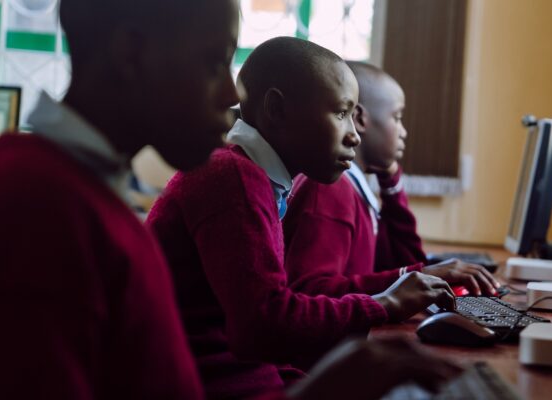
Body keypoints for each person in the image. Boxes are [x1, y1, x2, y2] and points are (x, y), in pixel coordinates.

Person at [0, 2, 459, 399]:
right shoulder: (34, 210)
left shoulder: (76, 193)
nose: (230, 98)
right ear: (132, 54)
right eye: (214, 63)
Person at [146, 36, 457, 399]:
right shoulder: (234, 179)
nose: (354, 136)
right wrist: (383, 304)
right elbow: (263, 323)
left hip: (240, 375)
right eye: (341, 114)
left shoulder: (255, 179)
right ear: (277, 110)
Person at [282, 61, 500, 298]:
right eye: (396, 117)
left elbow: (404, 260)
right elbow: (311, 293)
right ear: (360, 120)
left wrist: (391, 182)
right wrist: (419, 273)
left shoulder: (354, 187)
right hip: (340, 335)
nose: (403, 131)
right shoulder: (328, 189)